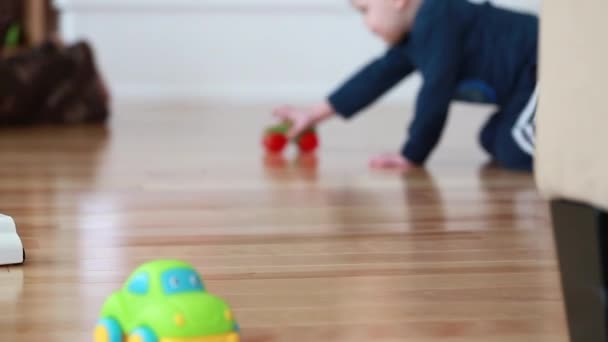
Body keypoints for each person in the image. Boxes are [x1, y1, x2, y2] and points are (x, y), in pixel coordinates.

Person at [273, 0, 538, 171]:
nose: (365, 24)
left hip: (544, 68)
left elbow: (435, 90)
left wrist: (412, 154)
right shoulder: (414, 40)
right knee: (491, 138)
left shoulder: (438, 17)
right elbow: (375, 77)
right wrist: (313, 115)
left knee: (513, 146)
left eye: (365, 10)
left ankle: (574, 154)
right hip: (523, 87)